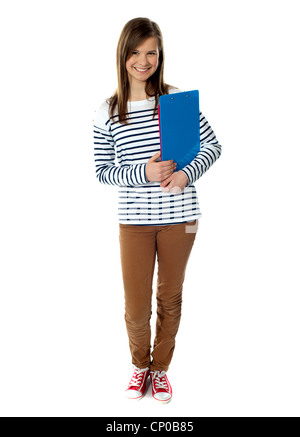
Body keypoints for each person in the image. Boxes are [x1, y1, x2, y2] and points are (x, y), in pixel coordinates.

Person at [93, 17, 222, 403]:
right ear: (123, 54)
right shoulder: (108, 111)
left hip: (180, 219)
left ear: (160, 55)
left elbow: (212, 146)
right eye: (136, 51)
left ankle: (160, 370)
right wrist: (144, 172)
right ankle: (139, 366)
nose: (143, 60)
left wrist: (185, 175)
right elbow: (102, 172)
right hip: (134, 223)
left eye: (151, 52)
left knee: (169, 297)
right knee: (136, 304)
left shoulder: (176, 100)